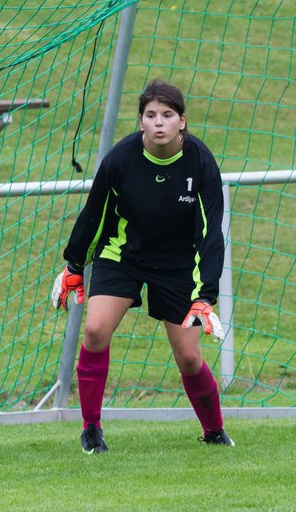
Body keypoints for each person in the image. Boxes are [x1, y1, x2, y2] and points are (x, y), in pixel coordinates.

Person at [51, 78, 233, 454]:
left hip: (177, 265)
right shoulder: (120, 160)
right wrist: (74, 264)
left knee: (188, 357)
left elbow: (209, 234)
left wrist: (206, 296)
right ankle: (91, 430)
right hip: (122, 256)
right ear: (140, 123)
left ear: (183, 121)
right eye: (151, 115)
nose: (159, 122)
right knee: (96, 330)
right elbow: (94, 215)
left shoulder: (201, 163)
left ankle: (215, 431)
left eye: (168, 115)